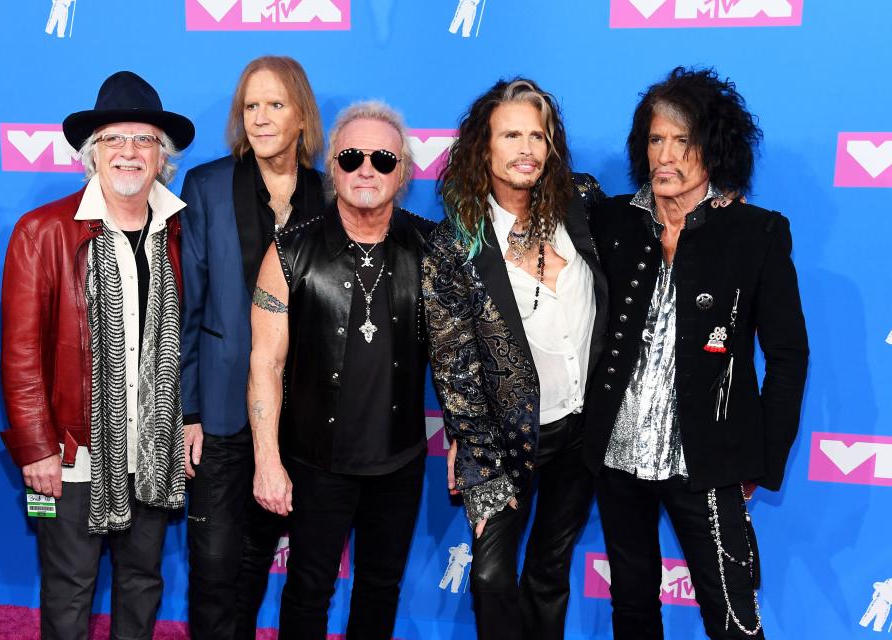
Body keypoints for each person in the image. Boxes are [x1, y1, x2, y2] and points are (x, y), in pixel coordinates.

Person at [584, 66, 809, 639]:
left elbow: (788, 357)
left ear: (713, 148)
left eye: (682, 141)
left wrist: (760, 458)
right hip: (617, 454)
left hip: (708, 462)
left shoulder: (756, 233)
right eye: (656, 139)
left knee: (733, 619)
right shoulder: (612, 221)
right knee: (632, 610)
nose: (666, 155)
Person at [0, 71, 194, 640]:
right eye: (114, 139)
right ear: (92, 154)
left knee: (142, 580)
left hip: (153, 446)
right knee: (70, 585)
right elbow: (21, 355)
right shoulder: (43, 232)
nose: (129, 152)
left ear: (163, 157)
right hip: (74, 451)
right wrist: (36, 447)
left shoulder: (181, 228)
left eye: (144, 140)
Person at [422, 78, 607, 639]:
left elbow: (652, 218)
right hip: (507, 440)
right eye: (511, 135)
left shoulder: (584, 203)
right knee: (491, 575)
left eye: (538, 135)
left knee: (550, 570)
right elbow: (454, 368)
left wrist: (715, 202)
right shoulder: (456, 246)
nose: (526, 148)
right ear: (484, 147)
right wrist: (478, 460)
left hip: (585, 430)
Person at [247, 101, 434, 639]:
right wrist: (267, 462)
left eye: (382, 158)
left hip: (398, 462)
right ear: (333, 168)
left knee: (381, 589)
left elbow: (457, 360)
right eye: (351, 157)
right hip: (315, 462)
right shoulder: (288, 252)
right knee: (308, 590)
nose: (366, 169)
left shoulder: (432, 248)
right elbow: (265, 363)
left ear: (403, 171)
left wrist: (469, 448)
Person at [178, 55, 325, 640]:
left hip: (301, 416)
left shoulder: (326, 192)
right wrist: (186, 411)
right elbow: (183, 311)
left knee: (257, 554)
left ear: (301, 117)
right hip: (216, 409)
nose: (260, 118)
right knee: (213, 560)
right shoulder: (207, 185)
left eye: (275, 105)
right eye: (250, 106)